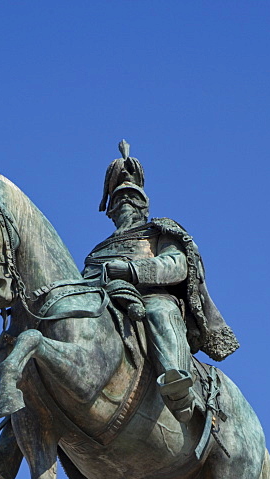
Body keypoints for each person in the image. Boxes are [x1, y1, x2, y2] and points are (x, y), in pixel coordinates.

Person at [82, 141, 239, 424]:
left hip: (152, 299)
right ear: (111, 211)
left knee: (159, 310)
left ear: (145, 205)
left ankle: (177, 385)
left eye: (133, 198)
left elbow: (175, 266)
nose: (126, 204)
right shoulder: (97, 251)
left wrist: (130, 270)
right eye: (119, 200)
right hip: (108, 302)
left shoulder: (160, 231)